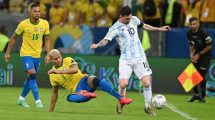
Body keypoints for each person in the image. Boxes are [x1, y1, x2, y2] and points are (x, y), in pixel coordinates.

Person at [90, 6, 170, 115]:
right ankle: (121, 101)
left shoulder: (134, 19)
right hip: (125, 59)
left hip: (140, 57)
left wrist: (159, 29)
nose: (129, 20)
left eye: (130, 17)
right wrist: (97, 45)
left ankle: (147, 107)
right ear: (121, 17)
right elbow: (105, 40)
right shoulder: (115, 28)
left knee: (146, 83)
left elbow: (144, 26)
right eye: (127, 18)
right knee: (123, 84)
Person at [47, 49, 132, 112]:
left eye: (59, 57)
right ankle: (86, 94)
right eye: (55, 59)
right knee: (69, 97)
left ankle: (121, 99)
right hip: (78, 91)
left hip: (84, 80)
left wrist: (58, 71)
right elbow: (54, 93)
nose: (58, 60)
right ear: (51, 60)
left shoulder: (67, 60)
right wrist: (51, 111)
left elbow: (75, 70)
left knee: (93, 78)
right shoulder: (52, 76)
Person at [4, 2, 50, 108]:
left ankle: (21, 99)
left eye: (39, 11)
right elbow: (13, 38)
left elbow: (47, 39)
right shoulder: (23, 24)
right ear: (30, 12)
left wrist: (48, 54)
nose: (37, 13)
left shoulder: (45, 24)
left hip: (37, 55)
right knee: (32, 75)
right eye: (35, 11)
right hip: (26, 54)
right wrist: (7, 52)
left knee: (30, 78)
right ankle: (38, 101)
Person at [187, 17, 212, 103]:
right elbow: (191, 44)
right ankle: (196, 95)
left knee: (201, 74)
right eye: (191, 24)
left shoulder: (203, 33)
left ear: (198, 24)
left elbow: (209, 46)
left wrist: (199, 54)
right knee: (193, 74)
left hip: (205, 56)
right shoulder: (189, 33)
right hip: (196, 55)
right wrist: (191, 55)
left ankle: (203, 97)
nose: (192, 26)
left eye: (194, 24)